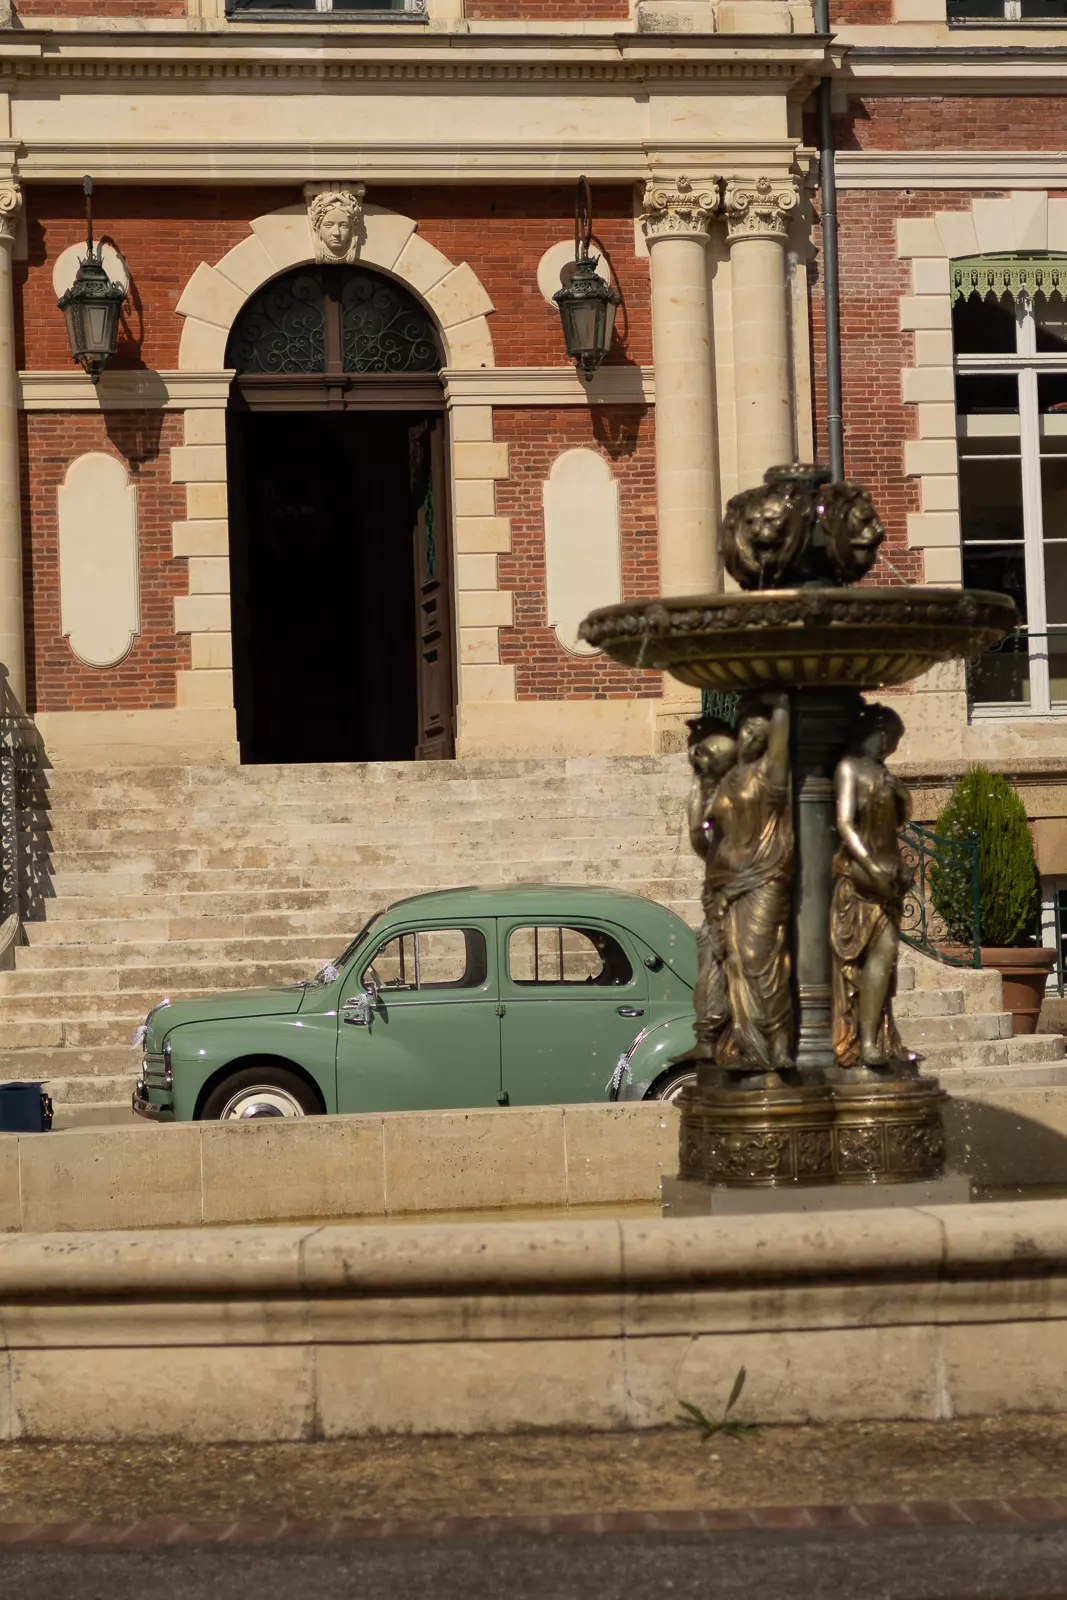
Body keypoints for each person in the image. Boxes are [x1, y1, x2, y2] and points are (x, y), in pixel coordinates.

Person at [704, 691, 794, 1074]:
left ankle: (779, 1043)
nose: (749, 736)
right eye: (746, 728)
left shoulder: (769, 775)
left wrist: (784, 704)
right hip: (728, 883)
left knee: (761, 959)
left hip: (764, 878)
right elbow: (708, 838)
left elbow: (781, 748)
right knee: (735, 964)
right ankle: (744, 1044)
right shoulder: (728, 780)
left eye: (759, 730)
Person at [830, 703, 914, 1070]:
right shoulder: (849, 768)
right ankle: (860, 1041)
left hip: (888, 876)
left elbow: (903, 817)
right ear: (877, 733)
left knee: (886, 955)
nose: (892, 748)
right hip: (859, 879)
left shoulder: (884, 773)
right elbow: (845, 824)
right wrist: (869, 865)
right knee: (859, 962)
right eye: (891, 740)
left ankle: (873, 1041)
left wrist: (900, 790)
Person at [686, 719, 739, 1056]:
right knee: (716, 962)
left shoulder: (732, 791)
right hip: (729, 889)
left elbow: (699, 838)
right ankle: (715, 1036)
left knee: (718, 962)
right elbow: (699, 839)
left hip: (732, 888)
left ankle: (715, 1037)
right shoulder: (715, 792)